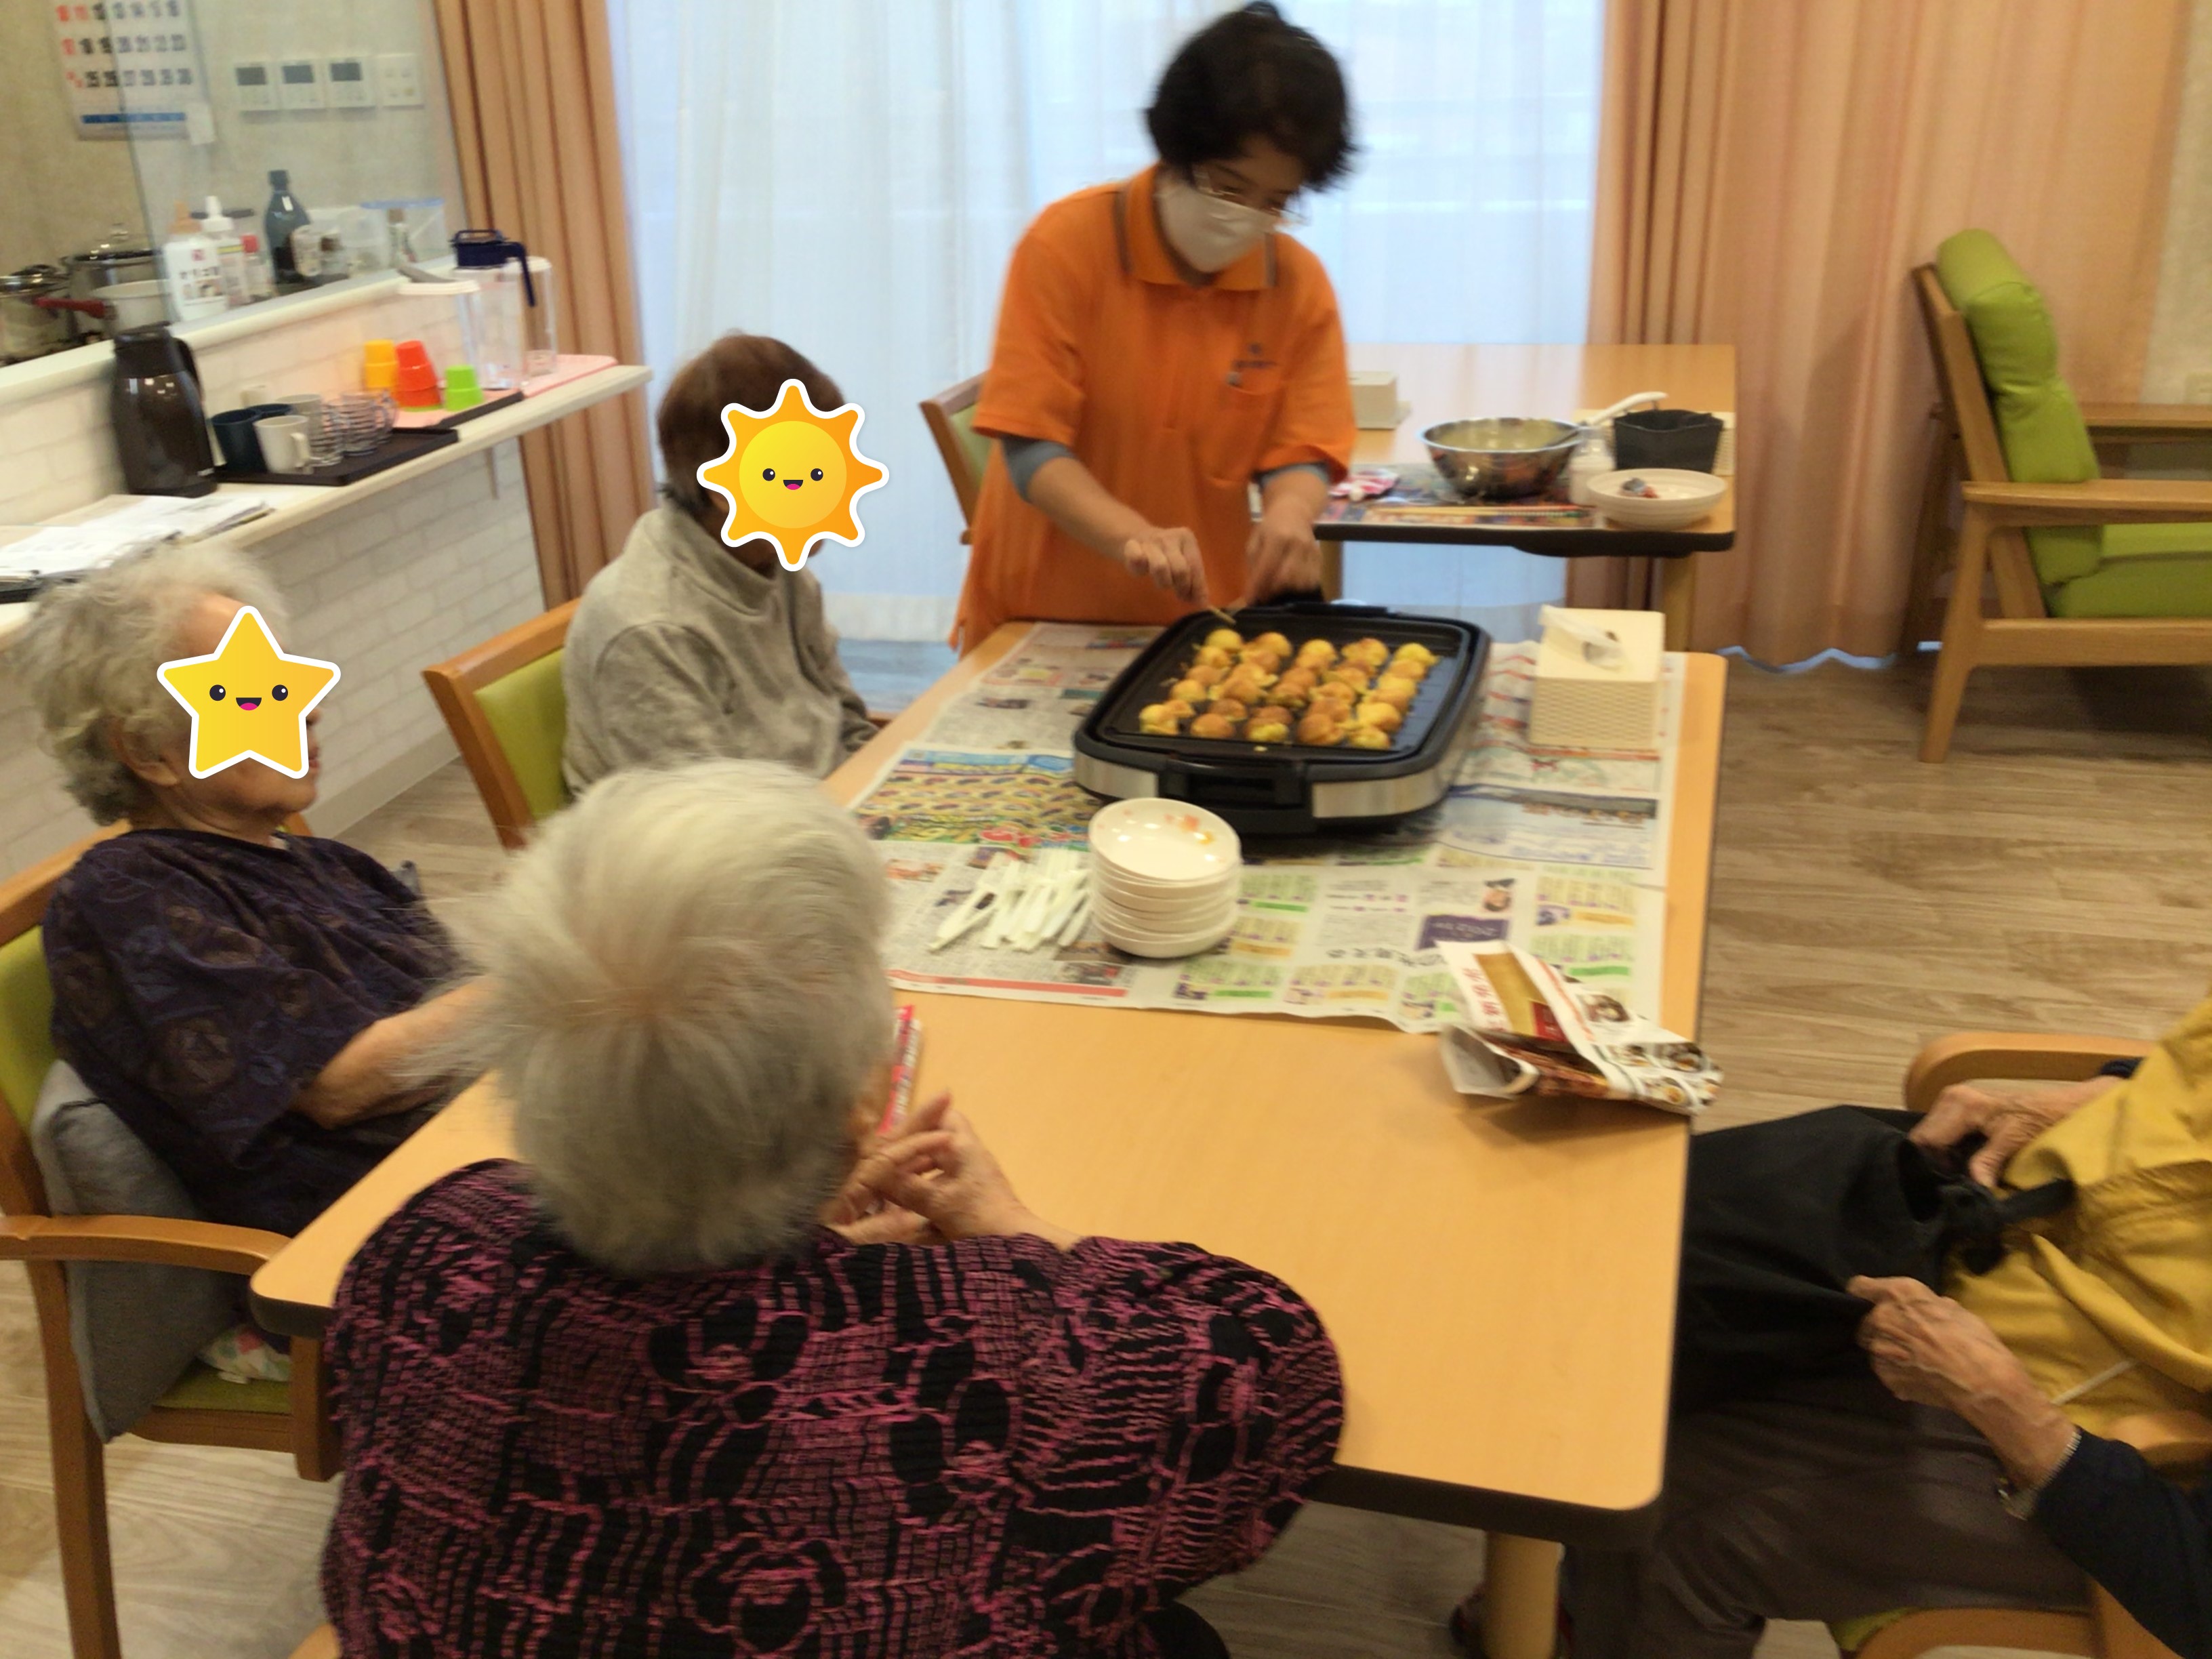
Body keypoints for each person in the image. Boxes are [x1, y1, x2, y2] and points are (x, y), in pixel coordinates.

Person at [322, 760, 1343, 1659]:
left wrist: (798, 1257)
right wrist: (1016, 1232)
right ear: (865, 1102)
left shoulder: (426, 1251)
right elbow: (1279, 1366)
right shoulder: (999, 1360)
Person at [1554, 991, 2212, 1659]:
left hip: (2076, 1439)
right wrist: (2110, 1092)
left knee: (1654, 1513)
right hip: (1993, 1240)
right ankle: (1556, 1602)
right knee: (1617, 1286)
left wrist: (2014, 1413)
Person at [15, 541, 482, 1241]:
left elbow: (456, 997)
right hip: (385, 1236)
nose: (310, 711)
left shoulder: (324, 862)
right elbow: (341, 1084)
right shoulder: (128, 895)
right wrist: (548, 976)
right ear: (147, 751)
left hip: (481, 1143)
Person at [954, 2, 1358, 649]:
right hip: (1042, 616)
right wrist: (1133, 536)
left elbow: (1302, 447)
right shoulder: (1066, 246)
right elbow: (1031, 451)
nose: (1248, 217)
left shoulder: (1295, 283)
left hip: (1200, 619)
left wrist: (1289, 513)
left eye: (1277, 202)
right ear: (1175, 151)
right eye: (1228, 188)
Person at [562, 333, 878, 794]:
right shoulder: (651, 627)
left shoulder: (777, 564)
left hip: (816, 806)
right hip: (719, 830)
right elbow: (707, 818)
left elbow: (847, 722)